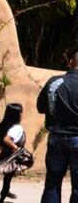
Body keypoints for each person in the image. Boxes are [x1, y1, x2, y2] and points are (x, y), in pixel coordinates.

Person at [37, 50, 78, 203]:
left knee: (52, 184)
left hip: (56, 138)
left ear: (71, 63)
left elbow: (41, 107)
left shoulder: (54, 82)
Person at [0, 103, 24, 203]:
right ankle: (2, 197)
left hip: (7, 154)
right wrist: (17, 149)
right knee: (8, 177)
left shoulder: (7, 125)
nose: (22, 115)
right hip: (12, 157)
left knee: (8, 177)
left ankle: (5, 192)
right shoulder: (17, 128)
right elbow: (7, 139)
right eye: (21, 112)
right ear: (18, 115)